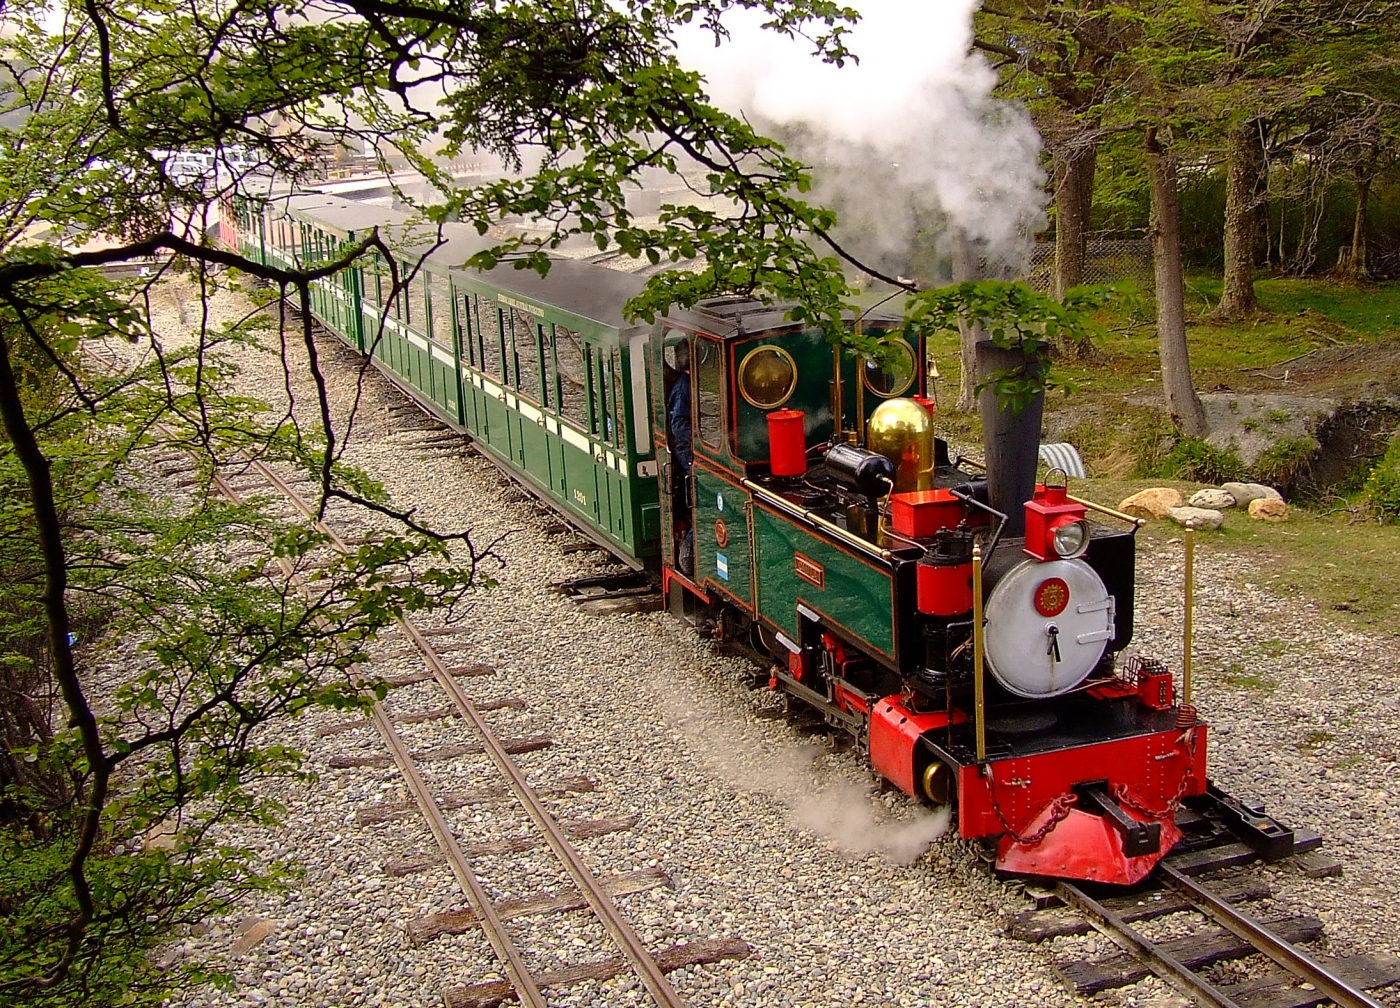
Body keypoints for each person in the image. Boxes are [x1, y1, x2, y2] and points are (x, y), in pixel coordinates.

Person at [667, 339, 694, 575]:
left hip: (690, 444)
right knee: (701, 485)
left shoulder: (689, 383)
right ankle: (689, 546)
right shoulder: (684, 387)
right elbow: (678, 426)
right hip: (686, 449)